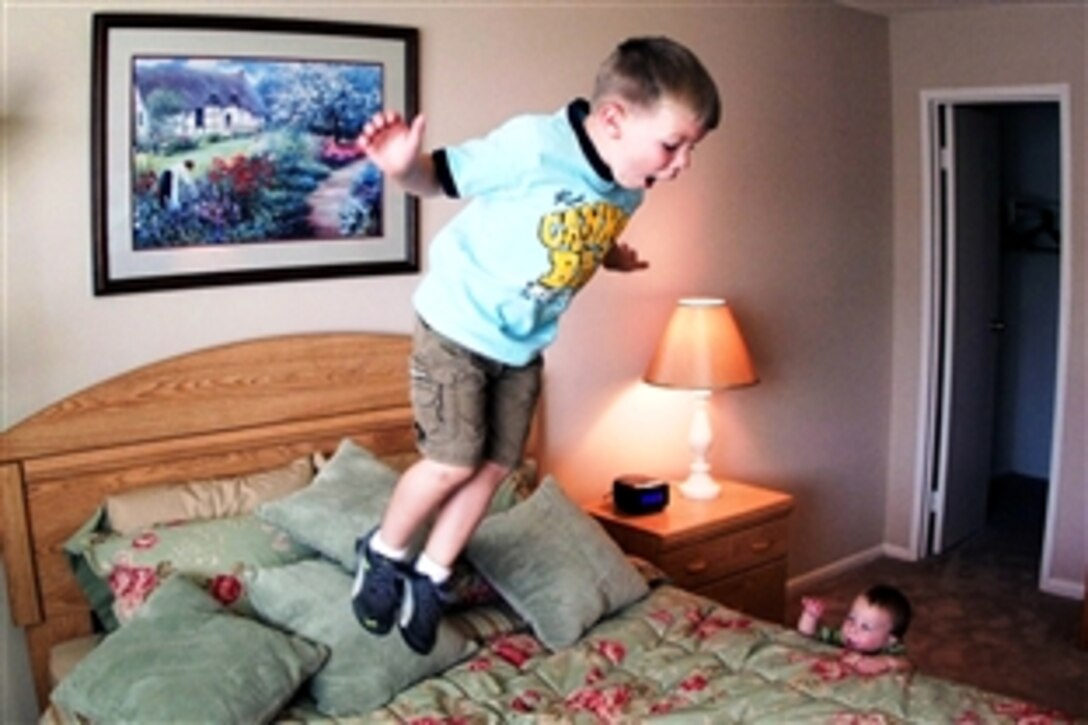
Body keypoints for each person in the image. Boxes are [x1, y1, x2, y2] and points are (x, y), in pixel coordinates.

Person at [351, 36, 721, 655]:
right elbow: (436, 179)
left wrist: (613, 256)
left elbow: (579, 228)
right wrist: (401, 168)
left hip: (522, 346)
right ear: (613, 120)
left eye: (691, 149)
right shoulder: (532, 145)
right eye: (673, 145)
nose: (682, 163)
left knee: (497, 467)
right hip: (457, 327)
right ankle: (384, 551)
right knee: (453, 460)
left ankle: (433, 575)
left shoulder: (630, 183)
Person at [797, 584, 912, 656]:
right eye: (851, 618)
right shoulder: (840, 637)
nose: (852, 629)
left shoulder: (892, 650)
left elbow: (905, 666)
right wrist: (810, 616)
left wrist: (884, 663)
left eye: (865, 627)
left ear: (889, 640)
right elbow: (806, 636)